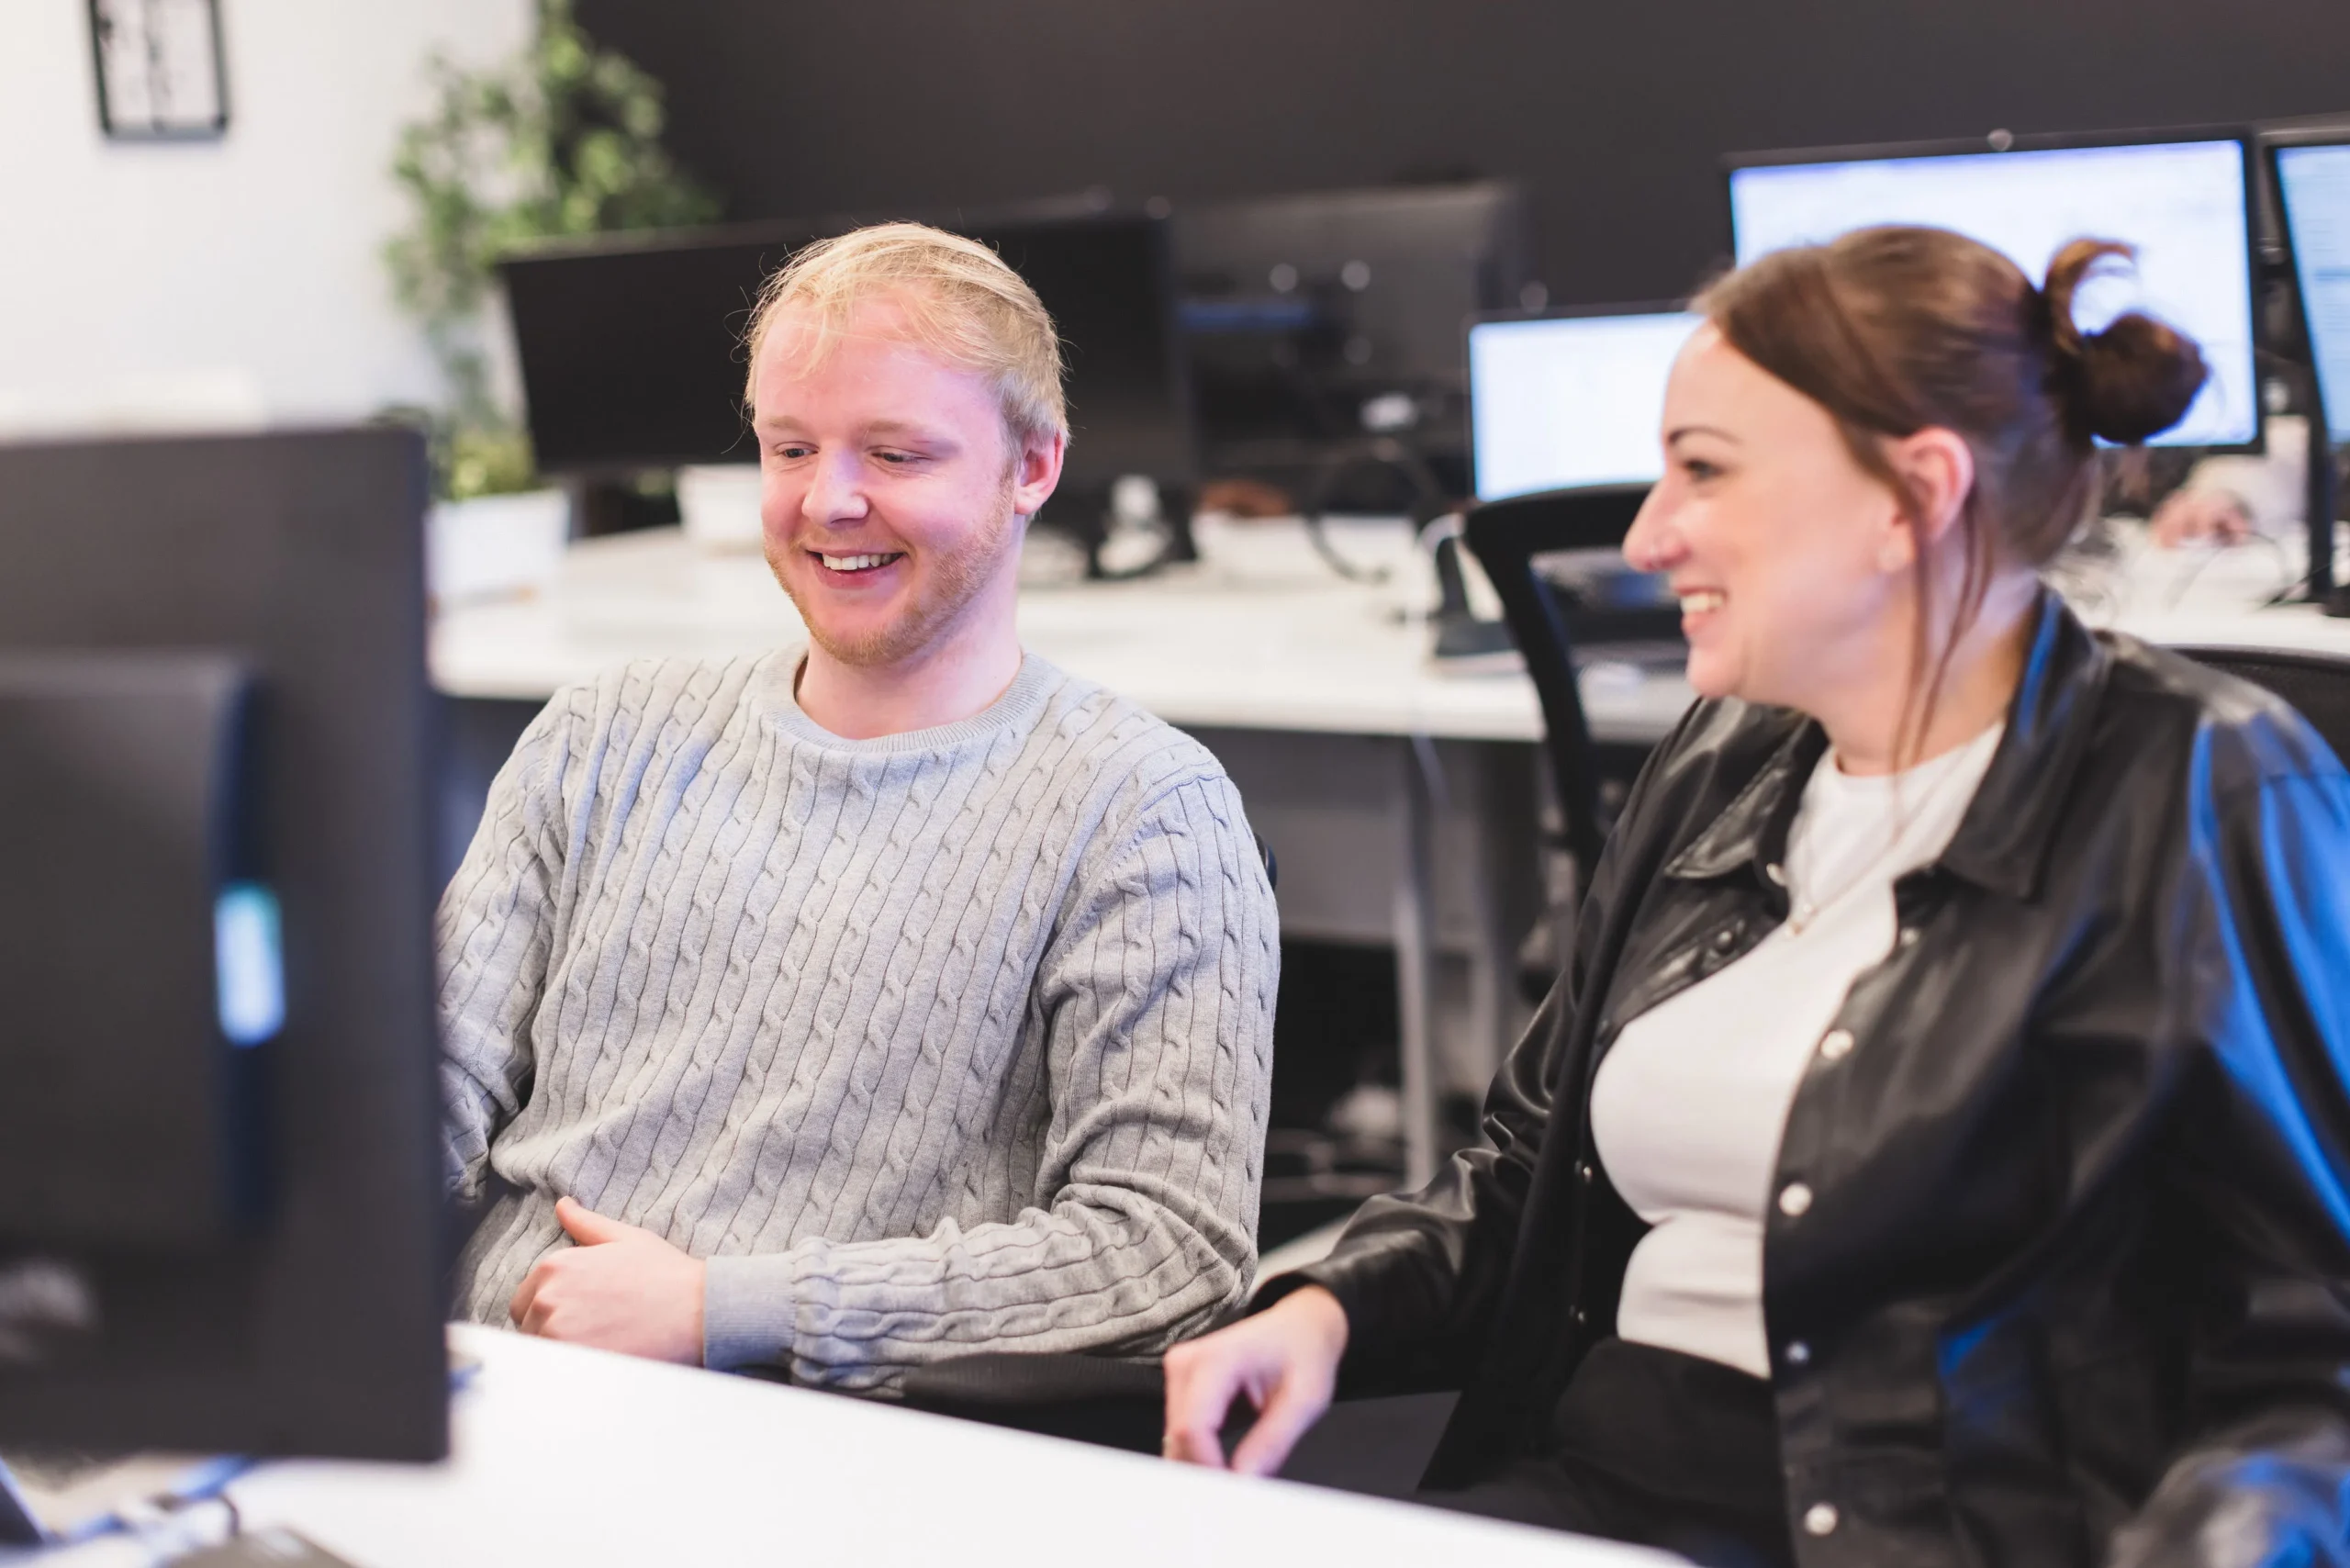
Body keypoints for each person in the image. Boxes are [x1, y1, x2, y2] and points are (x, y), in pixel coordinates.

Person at [1163, 226, 2350, 1568]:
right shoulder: (1729, 752)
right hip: (1592, 1492)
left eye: (1705, 473)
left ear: (1914, 497)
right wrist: (1323, 1307)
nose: (1645, 534)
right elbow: (1524, 1172)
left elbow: (2314, 1350)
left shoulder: (2204, 788)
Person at [438, 223, 1277, 1391]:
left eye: (895, 455)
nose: (828, 501)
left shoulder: (1142, 810)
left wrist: (717, 1309)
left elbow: (1166, 1253)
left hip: (819, 1437)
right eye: (790, 448)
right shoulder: (602, 734)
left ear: (1032, 466)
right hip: (487, 1394)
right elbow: (423, 1078)